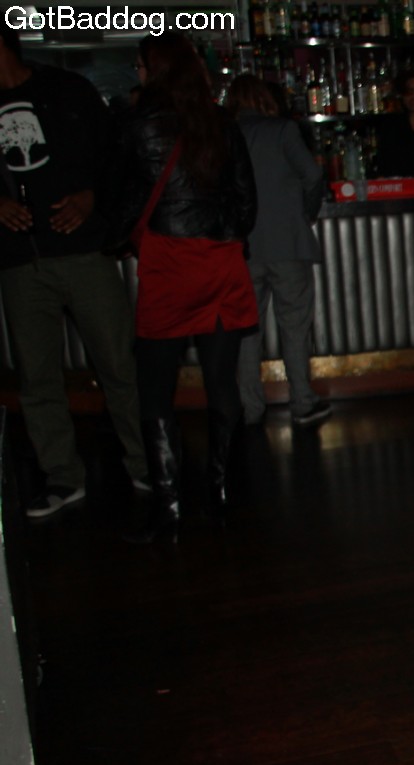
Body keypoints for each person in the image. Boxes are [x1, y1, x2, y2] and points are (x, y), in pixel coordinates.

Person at [114, 33, 258, 542]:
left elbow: (123, 201)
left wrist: (120, 239)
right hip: (219, 263)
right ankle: (219, 496)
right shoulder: (221, 123)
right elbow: (246, 205)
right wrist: (220, 234)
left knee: (155, 388)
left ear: (154, 70)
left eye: (139, 66)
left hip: (169, 265)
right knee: (222, 383)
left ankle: (169, 508)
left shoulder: (139, 126)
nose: (136, 74)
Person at [0, 25, 148, 518]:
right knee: (37, 377)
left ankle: (146, 464)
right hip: (19, 260)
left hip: (84, 252)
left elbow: (116, 157)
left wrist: (91, 197)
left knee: (119, 364)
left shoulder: (66, 89)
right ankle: (62, 477)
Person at [226, 75, 330, 428]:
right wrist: (305, 213)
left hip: (243, 248)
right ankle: (302, 401)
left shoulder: (224, 134)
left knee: (246, 331)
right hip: (288, 242)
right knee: (295, 326)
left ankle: (250, 406)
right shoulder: (283, 130)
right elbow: (312, 176)